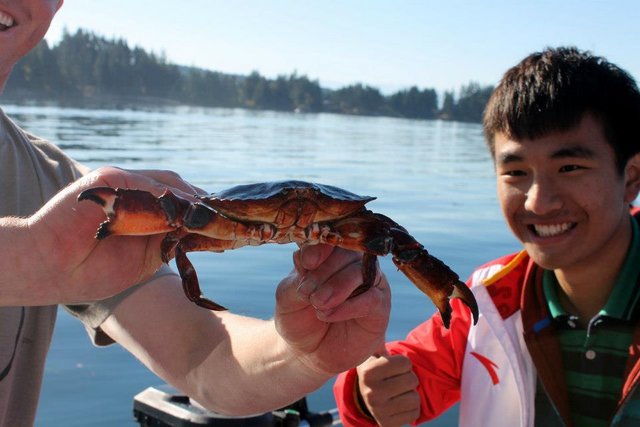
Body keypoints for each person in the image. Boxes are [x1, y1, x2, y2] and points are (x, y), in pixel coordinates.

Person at [0, 1, 391, 425]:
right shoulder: (63, 213)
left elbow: (203, 359)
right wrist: (23, 260)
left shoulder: (61, 191)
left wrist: (301, 354)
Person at [333, 46, 640, 427]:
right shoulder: (489, 300)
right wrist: (368, 394)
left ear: (631, 177)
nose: (539, 202)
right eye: (515, 173)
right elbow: (403, 378)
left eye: (569, 167)